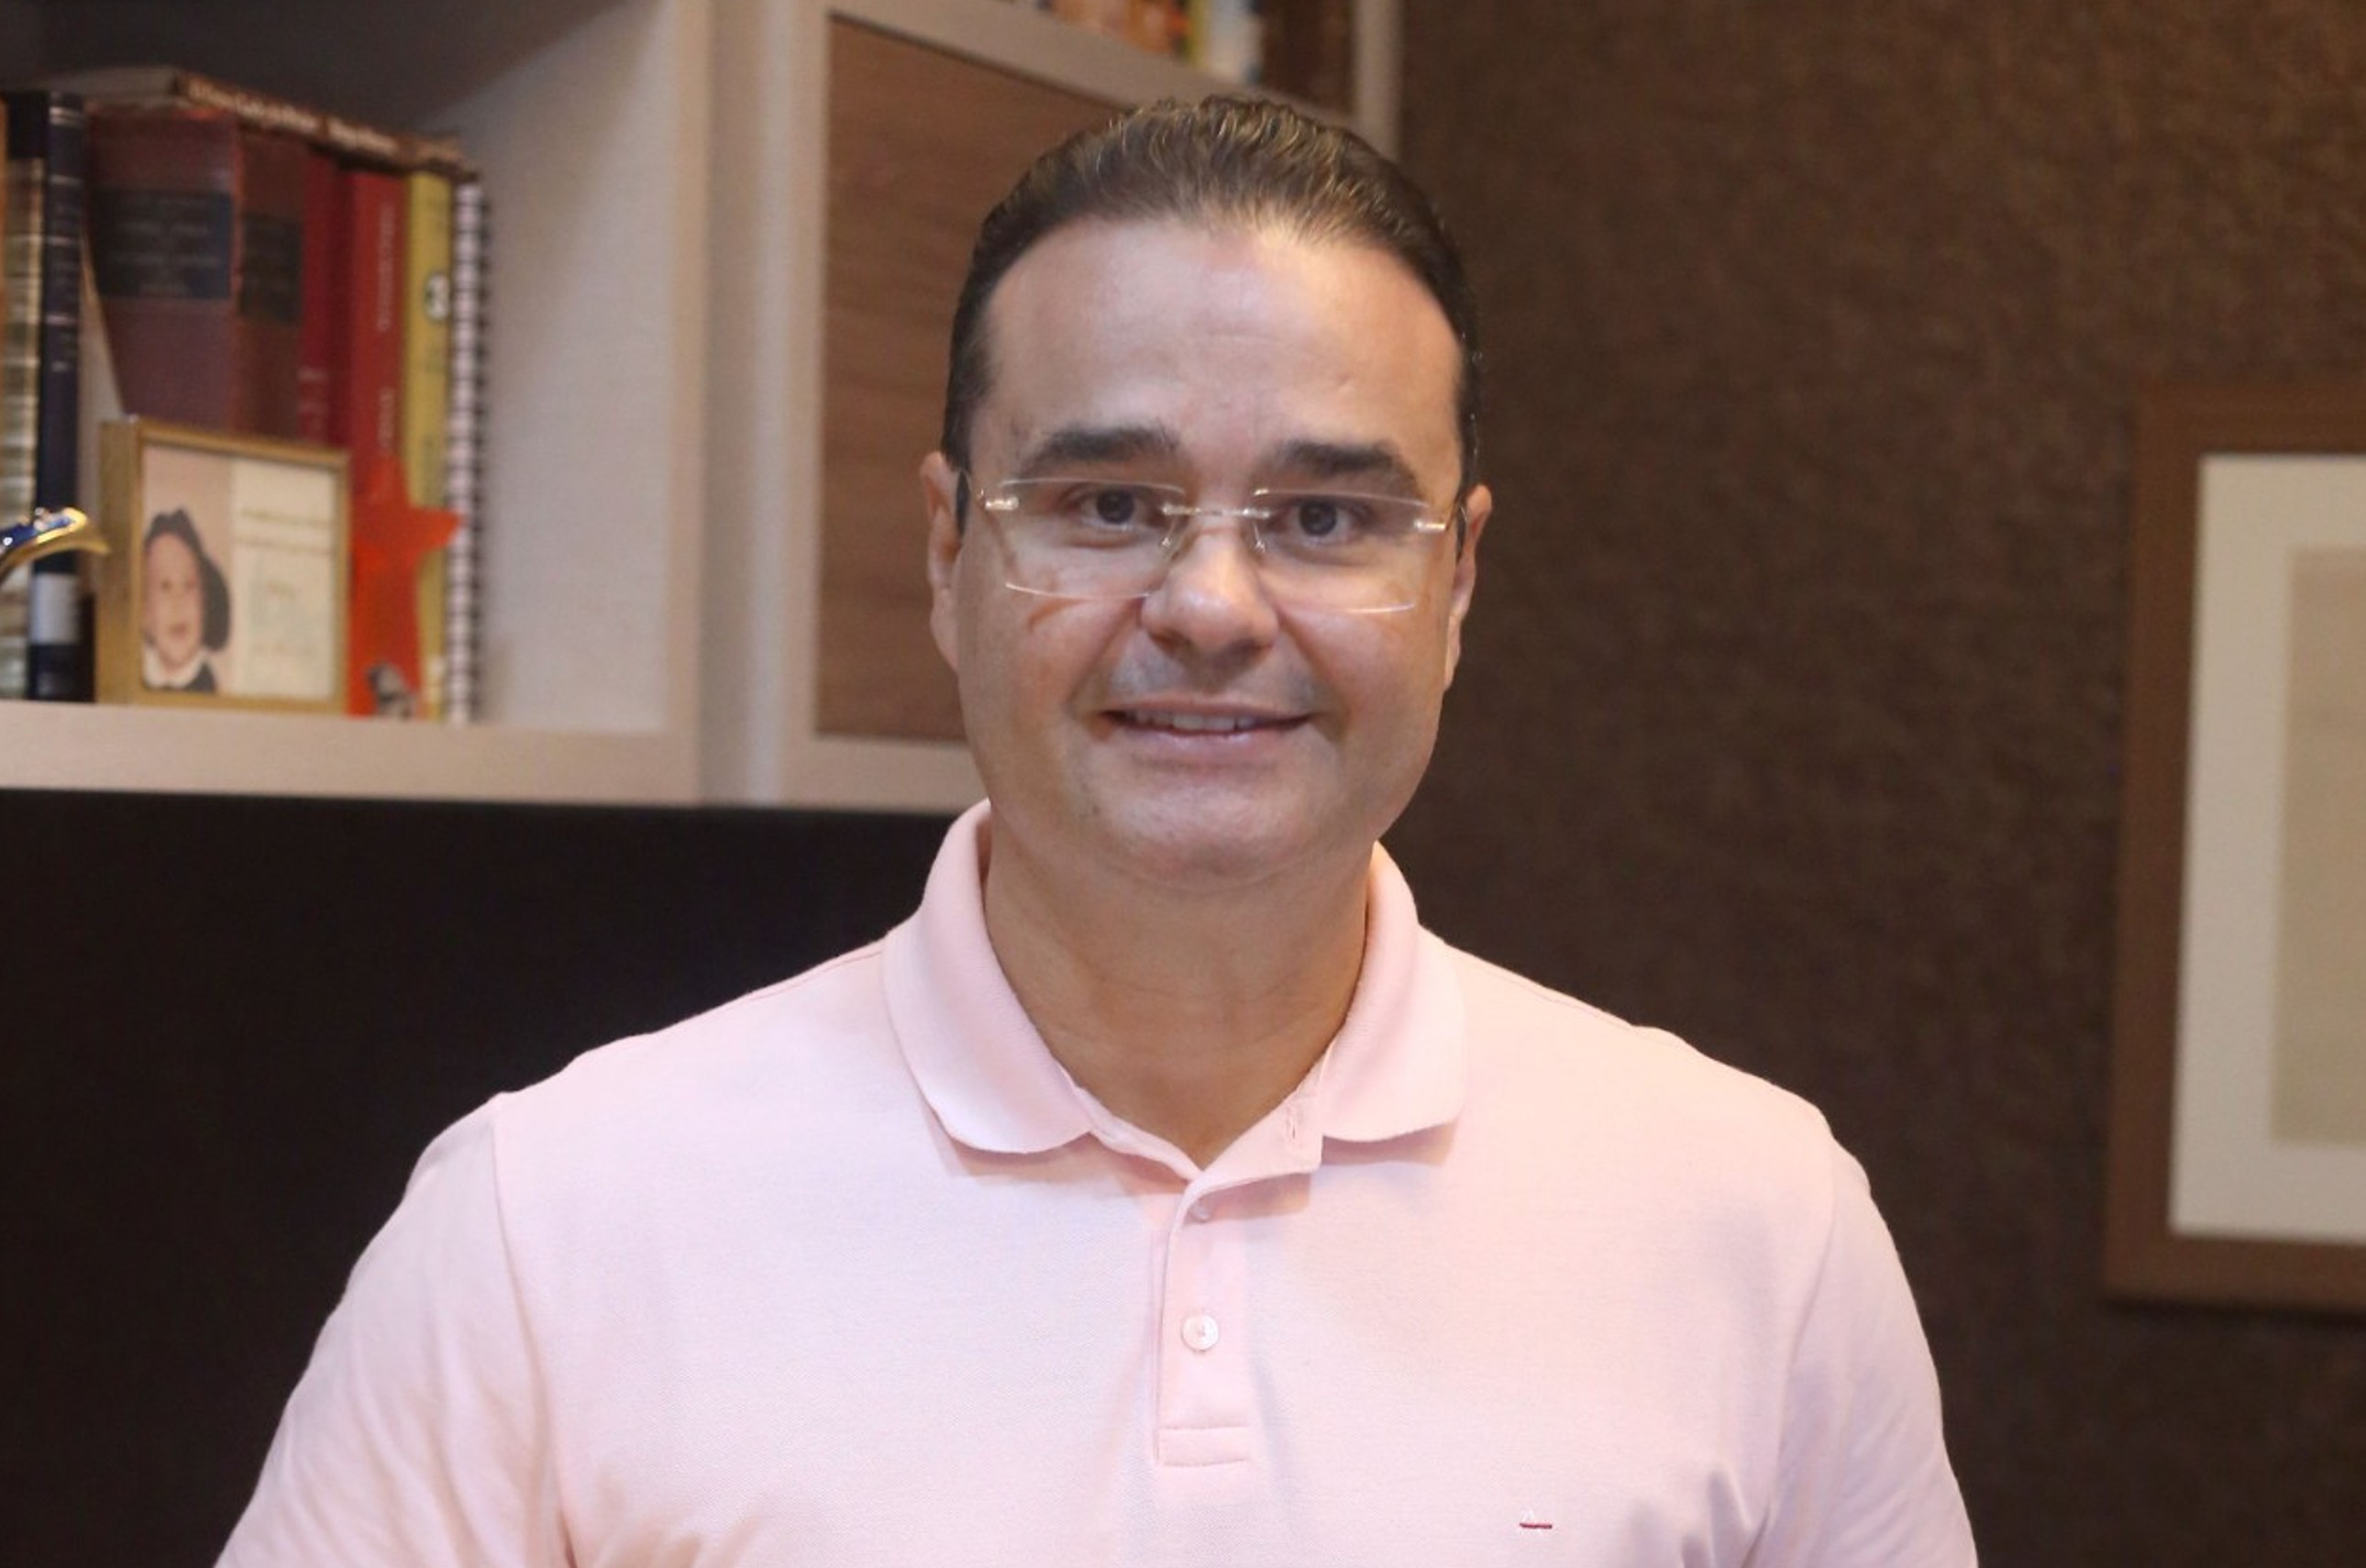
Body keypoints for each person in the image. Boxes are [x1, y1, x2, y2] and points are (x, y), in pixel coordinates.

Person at [219, 98, 1975, 1565]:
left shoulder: (1759, 1231)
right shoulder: (548, 1227)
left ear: (1458, 585)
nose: (1210, 606)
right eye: (1110, 503)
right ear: (946, 555)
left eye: (1327, 516)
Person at [140, 508, 231, 693]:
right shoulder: (136, 683)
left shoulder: (212, 690)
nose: (178, 604)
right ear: (144, 612)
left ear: (205, 602)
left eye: (189, 586)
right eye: (165, 587)